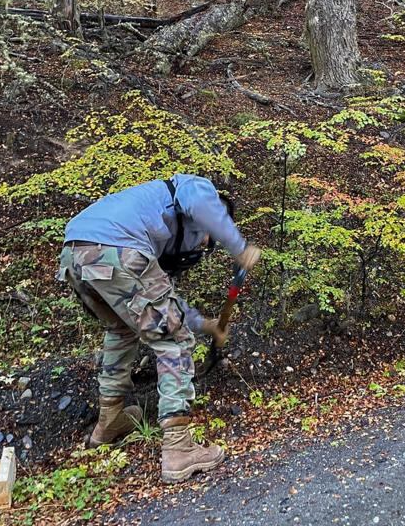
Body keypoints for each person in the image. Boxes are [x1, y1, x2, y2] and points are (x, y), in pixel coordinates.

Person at [58, 174, 262, 483]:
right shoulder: (196, 190)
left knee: (122, 330)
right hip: (117, 249)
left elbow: (166, 303)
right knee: (176, 342)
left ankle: (109, 422)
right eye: (209, 238)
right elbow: (201, 200)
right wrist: (240, 247)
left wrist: (206, 325)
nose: (206, 245)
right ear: (210, 221)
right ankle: (179, 449)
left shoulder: (152, 227)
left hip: (75, 253)